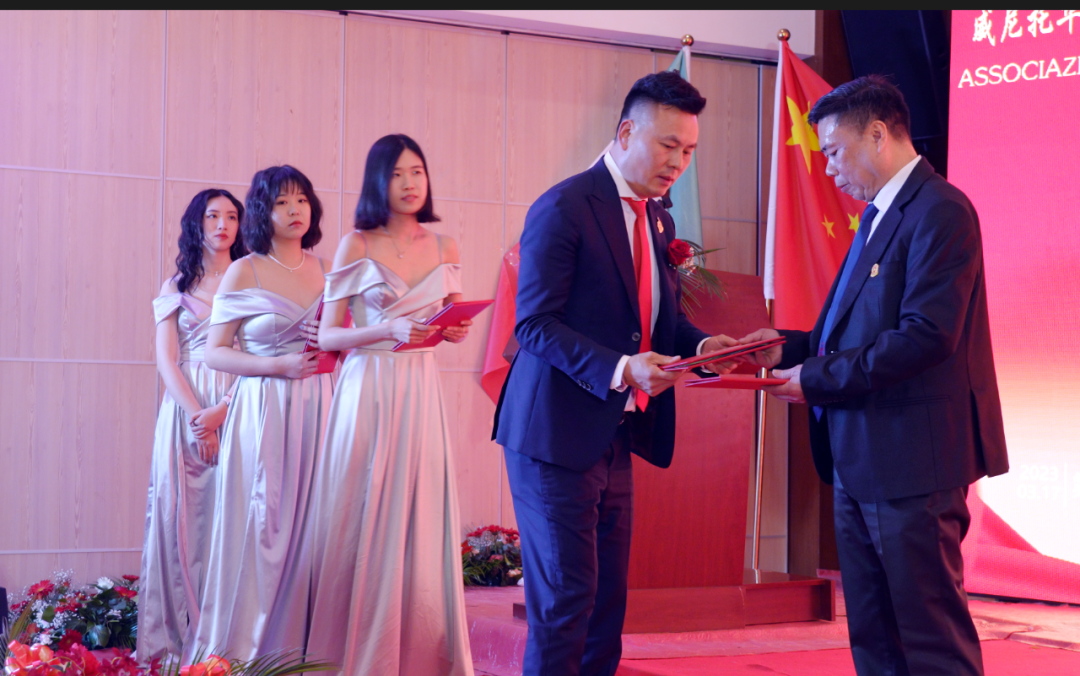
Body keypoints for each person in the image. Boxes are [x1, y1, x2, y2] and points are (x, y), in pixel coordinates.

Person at [739, 76, 1008, 676]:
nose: (828, 168)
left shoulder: (941, 210)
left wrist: (815, 379)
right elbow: (849, 331)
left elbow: (926, 336)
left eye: (834, 151)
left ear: (879, 134)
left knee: (930, 640)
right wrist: (783, 348)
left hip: (913, 464)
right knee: (875, 638)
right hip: (860, 460)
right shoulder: (876, 216)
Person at [493, 71, 736, 676]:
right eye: (668, 145)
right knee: (566, 601)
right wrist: (623, 368)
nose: (678, 163)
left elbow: (658, 320)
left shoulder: (657, 219)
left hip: (615, 432)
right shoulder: (565, 207)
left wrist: (705, 345)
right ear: (626, 132)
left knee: (606, 605)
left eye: (689, 151)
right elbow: (535, 325)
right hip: (553, 436)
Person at [306, 134, 474, 675]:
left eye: (417, 171)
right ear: (379, 180)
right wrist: (386, 328)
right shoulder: (356, 243)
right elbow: (328, 336)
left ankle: (419, 654)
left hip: (420, 387)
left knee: (419, 513)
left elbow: (449, 318)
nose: (409, 183)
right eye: (398, 173)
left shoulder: (445, 246)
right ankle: (353, 654)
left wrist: (453, 330)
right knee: (361, 510)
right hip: (368, 385)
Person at [192, 165, 334, 660]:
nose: (295, 210)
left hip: (320, 404)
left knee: (315, 525)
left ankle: (306, 650)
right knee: (263, 522)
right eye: (281, 202)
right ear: (261, 211)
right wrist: (278, 365)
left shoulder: (325, 269)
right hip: (263, 407)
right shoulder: (244, 270)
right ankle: (249, 649)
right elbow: (214, 353)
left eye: (301, 200)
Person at [138, 189, 246, 660]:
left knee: (231, 515)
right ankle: (177, 643)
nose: (223, 224)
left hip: (239, 401)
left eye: (232, 216)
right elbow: (167, 359)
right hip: (184, 406)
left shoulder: (249, 280)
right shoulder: (176, 285)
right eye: (213, 216)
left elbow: (258, 352)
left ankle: (227, 641)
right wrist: (198, 417)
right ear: (196, 224)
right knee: (180, 517)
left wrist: (224, 409)